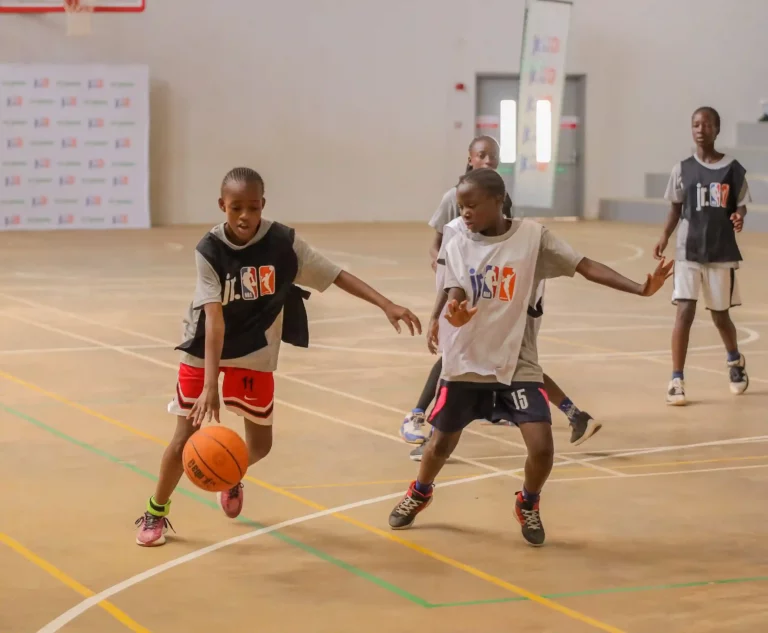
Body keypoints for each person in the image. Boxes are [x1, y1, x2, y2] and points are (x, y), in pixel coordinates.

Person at [135, 167, 421, 547]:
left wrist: (387, 304)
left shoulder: (283, 243)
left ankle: (230, 472)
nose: (244, 216)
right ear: (222, 205)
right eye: (235, 207)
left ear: (262, 205)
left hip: (255, 349)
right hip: (204, 348)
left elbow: (334, 274)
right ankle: (156, 511)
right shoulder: (209, 250)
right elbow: (214, 320)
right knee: (183, 437)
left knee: (261, 445)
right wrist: (210, 387)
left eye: (252, 207)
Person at [388, 168, 672, 546]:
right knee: (440, 445)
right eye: (460, 206)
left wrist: (638, 288)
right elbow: (455, 286)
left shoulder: (532, 238)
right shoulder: (457, 239)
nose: (465, 213)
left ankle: (528, 502)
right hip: (466, 357)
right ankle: (420, 492)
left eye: (472, 205)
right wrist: (451, 312)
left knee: (541, 446)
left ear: (497, 202)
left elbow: (584, 265)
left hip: (513, 358)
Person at [400, 135, 598, 456]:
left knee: (503, 361)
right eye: (482, 155)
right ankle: (574, 414)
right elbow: (440, 243)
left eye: (493, 156)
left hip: (503, 295)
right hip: (468, 288)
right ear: (469, 157)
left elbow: (511, 252)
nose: (488, 161)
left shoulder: (497, 200)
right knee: (475, 360)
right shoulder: (456, 198)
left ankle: (424, 421)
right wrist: (444, 276)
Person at [654, 107, 750, 406]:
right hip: (688, 250)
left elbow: (741, 205)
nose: (700, 129)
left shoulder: (733, 169)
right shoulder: (682, 169)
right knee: (684, 312)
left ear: (717, 129)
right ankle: (676, 380)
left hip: (720, 251)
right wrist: (664, 236)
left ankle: (734, 362)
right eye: (695, 124)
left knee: (721, 316)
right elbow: (675, 207)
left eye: (706, 124)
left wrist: (738, 215)